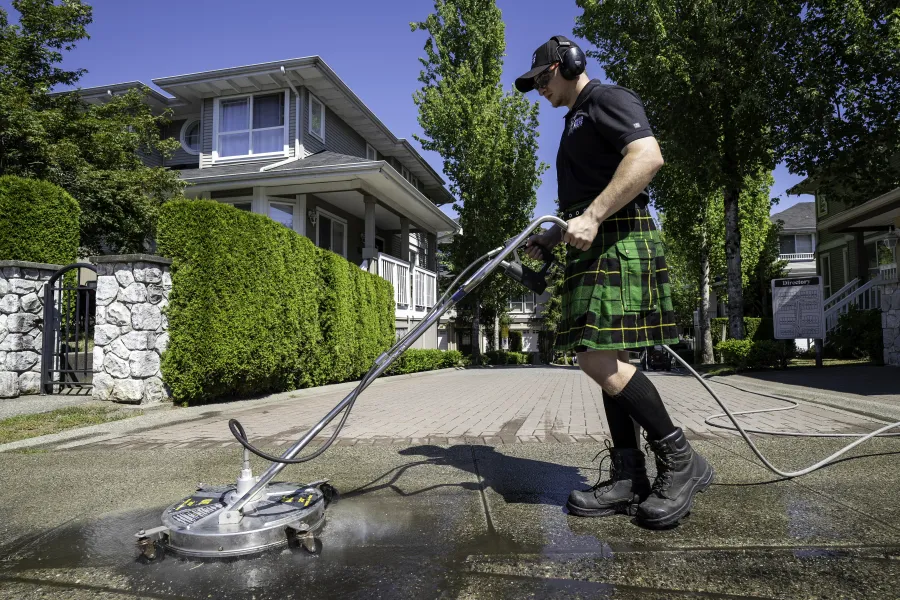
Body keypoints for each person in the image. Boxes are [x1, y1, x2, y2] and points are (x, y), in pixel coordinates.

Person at [517, 35, 714, 529]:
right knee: (612, 361)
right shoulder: (574, 121)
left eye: (543, 78)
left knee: (595, 358)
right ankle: (630, 475)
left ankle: (682, 461)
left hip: (621, 241)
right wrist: (551, 236)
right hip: (597, 242)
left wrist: (595, 216)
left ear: (569, 64)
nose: (539, 88)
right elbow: (585, 202)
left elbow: (647, 157)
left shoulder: (606, 98)